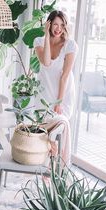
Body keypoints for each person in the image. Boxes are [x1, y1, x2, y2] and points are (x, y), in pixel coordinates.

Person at [34, 10, 78, 164]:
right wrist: (47, 36)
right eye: (55, 24)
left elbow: (65, 76)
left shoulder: (70, 45)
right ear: (49, 24)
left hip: (62, 94)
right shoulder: (39, 41)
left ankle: (58, 165)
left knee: (59, 127)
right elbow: (46, 62)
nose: (58, 28)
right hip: (44, 92)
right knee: (43, 129)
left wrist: (59, 101)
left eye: (62, 25)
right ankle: (45, 165)